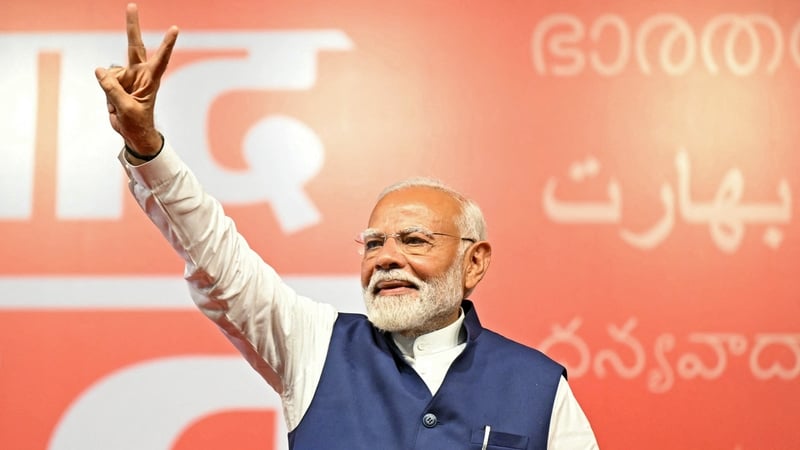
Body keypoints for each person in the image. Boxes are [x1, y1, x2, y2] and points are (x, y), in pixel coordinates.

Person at [95, 4, 599, 449]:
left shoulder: (539, 386)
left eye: (414, 240)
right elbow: (217, 258)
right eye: (373, 243)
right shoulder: (313, 345)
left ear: (474, 261)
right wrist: (147, 146)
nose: (385, 258)